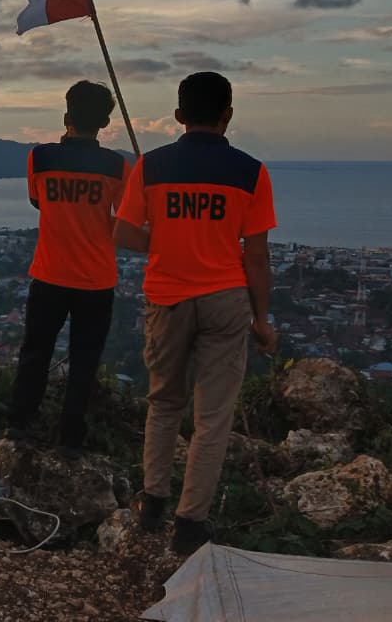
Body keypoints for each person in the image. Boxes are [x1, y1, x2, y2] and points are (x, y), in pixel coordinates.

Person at [114, 71, 278, 555]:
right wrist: (262, 321)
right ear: (228, 115)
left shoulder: (150, 167)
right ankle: (191, 522)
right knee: (212, 415)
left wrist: (162, 245)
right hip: (226, 297)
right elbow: (257, 256)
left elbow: (122, 233)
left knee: (164, 402)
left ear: (179, 116)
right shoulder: (252, 172)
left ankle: (154, 501)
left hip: (167, 295)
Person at [6, 81, 131, 455]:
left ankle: (18, 426)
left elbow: (38, 202)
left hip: (49, 274)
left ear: (66, 117)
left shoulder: (40, 158)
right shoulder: (117, 166)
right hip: (96, 279)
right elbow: (123, 221)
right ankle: (71, 440)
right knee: (84, 360)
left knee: (35, 353)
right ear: (106, 121)